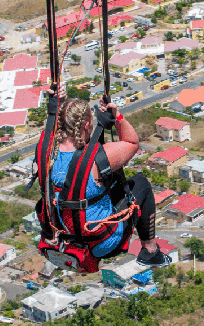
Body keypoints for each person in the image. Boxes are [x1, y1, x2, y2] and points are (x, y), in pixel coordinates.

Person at [49, 96, 171, 267]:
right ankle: (150, 250)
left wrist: (57, 102)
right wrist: (117, 116)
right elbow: (132, 142)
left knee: (103, 187)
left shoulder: (47, 153)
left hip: (68, 235)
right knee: (140, 183)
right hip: (102, 242)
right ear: (86, 126)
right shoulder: (97, 158)